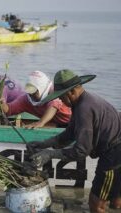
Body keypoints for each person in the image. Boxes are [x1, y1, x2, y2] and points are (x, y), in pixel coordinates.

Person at [26, 69, 121, 212]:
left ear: (71, 92)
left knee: (96, 203)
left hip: (114, 155)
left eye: (62, 97)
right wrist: (45, 144)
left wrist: (50, 154)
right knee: (116, 200)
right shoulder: (83, 102)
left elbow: (81, 151)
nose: (61, 101)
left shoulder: (84, 109)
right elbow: (69, 135)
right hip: (115, 150)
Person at [0, 70, 71, 128]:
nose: (31, 95)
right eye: (29, 91)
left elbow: (54, 105)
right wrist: (2, 104)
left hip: (74, 122)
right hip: (56, 124)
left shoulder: (54, 92)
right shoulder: (26, 98)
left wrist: (40, 123)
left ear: (42, 88)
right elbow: (9, 109)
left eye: (34, 92)